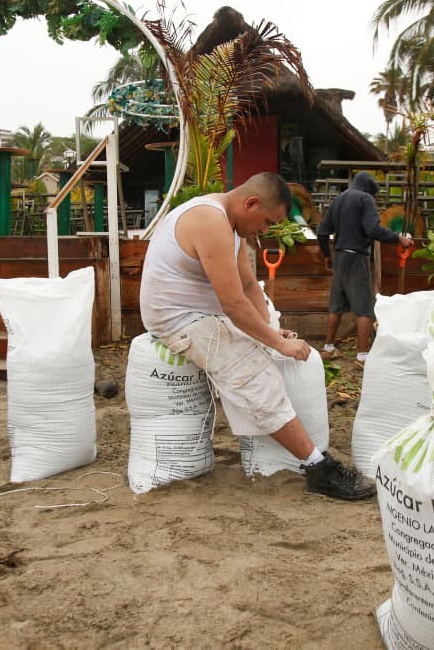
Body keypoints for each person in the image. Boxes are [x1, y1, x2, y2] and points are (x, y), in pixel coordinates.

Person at [139, 172, 375, 500]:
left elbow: (248, 285)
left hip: (204, 312)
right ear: (251, 203)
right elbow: (233, 304)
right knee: (251, 371)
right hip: (176, 317)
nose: (265, 231)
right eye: (266, 222)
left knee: (260, 339)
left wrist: (270, 329)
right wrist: (278, 343)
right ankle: (318, 467)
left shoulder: (230, 224)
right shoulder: (211, 221)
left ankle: (310, 457)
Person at [317, 171, 413, 364]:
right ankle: (362, 357)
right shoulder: (365, 199)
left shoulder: (338, 200)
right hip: (357, 258)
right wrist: (399, 238)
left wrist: (328, 256)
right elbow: (372, 229)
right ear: (370, 190)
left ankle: (328, 348)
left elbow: (322, 231)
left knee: (336, 306)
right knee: (365, 310)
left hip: (340, 256)